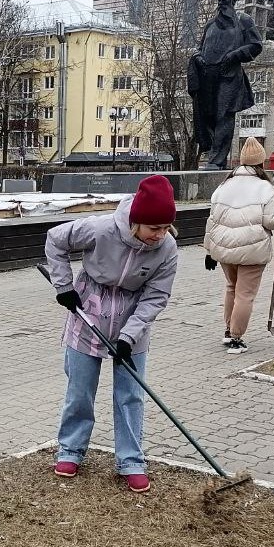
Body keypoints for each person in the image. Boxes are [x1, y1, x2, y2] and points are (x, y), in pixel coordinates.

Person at [44, 175, 179, 494]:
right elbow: (55, 240)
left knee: (130, 394)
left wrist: (129, 336)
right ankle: (71, 450)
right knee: (80, 390)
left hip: (133, 319)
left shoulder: (167, 248)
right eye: (153, 228)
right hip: (88, 311)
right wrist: (63, 286)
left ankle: (131, 460)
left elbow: (156, 296)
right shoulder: (101, 229)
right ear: (136, 222)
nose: (159, 235)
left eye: (165, 228)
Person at [203, 136, 274, 355]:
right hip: (252, 249)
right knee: (245, 295)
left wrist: (209, 251)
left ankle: (228, 330)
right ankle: (235, 338)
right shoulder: (265, 188)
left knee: (231, 288)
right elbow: (271, 221)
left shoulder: (224, 185)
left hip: (224, 248)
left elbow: (212, 220)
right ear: (261, 163)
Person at [188, 0, 264, 170]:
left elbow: (256, 45)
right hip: (207, 75)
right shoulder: (210, 24)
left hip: (229, 76)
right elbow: (200, 47)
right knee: (208, 117)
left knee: (224, 115)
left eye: (225, 0)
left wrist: (235, 55)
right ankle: (213, 155)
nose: (222, 4)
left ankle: (216, 160)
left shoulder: (243, 20)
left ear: (232, 1)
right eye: (219, 0)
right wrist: (197, 57)